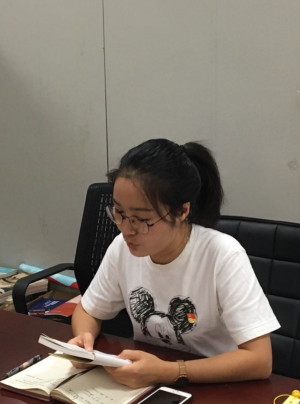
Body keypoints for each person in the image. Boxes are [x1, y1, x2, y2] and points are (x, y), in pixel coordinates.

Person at [70, 138, 280, 388]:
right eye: (119, 213)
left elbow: (259, 360)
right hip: (145, 384)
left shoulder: (222, 255)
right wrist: (84, 340)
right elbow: (88, 311)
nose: (126, 229)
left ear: (181, 211)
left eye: (141, 219)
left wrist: (169, 371)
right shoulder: (122, 248)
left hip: (215, 388)